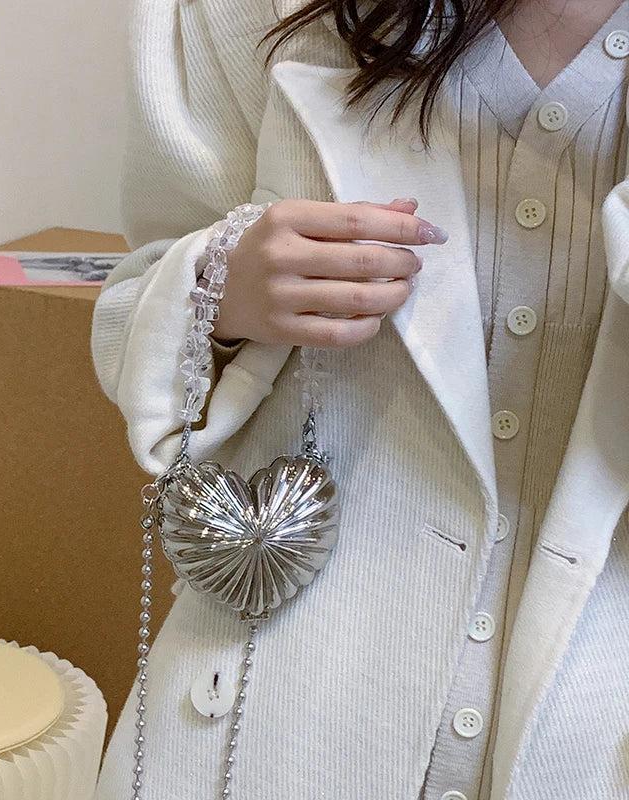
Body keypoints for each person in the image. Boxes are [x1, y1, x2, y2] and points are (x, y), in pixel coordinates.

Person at [90, 1, 629, 797]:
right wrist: (221, 289)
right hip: (285, 706)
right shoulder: (237, 13)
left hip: (594, 724)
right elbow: (132, 311)